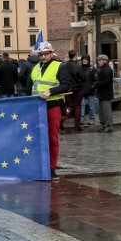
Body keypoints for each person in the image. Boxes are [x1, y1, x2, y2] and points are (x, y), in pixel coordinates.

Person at [30, 42, 72, 177]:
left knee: (52, 138)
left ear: (51, 54)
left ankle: (51, 167)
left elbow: (66, 86)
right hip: (36, 106)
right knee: (37, 137)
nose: (43, 57)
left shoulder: (59, 66)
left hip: (53, 104)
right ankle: (39, 165)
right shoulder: (35, 68)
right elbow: (30, 87)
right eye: (41, 54)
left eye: (45, 54)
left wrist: (51, 91)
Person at [64, 50, 84, 131]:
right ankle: (77, 125)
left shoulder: (65, 65)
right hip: (77, 88)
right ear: (75, 56)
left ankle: (62, 120)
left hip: (68, 88)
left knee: (69, 106)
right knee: (77, 107)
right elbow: (82, 77)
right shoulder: (78, 66)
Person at [95, 54, 115, 133]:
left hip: (106, 93)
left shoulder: (107, 69)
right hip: (101, 93)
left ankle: (108, 126)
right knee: (101, 111)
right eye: (98, 60)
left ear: (105, 61)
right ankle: (103, 125)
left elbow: (106, 81)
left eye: (100, 60)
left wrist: (97, 83)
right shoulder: (102, 68)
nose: (99, 61)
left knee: (106, 111)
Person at [79, 55, 98, 126]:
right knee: (82, 105)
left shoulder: (92, 69)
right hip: (82, 90)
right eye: (83, 59)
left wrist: (92, 87)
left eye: (86, 59)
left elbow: (95, 79)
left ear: (88, 60)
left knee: (91, 106)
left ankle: (92, 119)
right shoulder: (79, 68)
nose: (84, 61)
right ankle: (81, 119)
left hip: (90, 91)